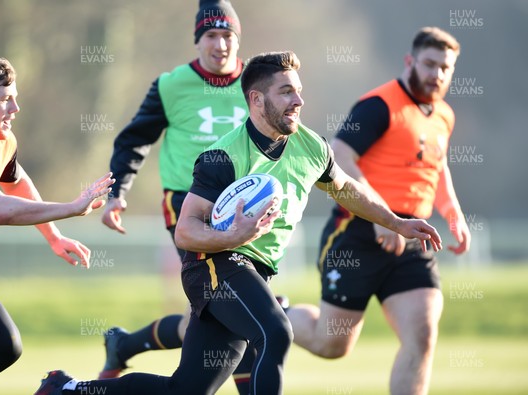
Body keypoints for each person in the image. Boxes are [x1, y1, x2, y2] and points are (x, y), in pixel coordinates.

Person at [35, 51, 442, 395]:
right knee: (276, 331)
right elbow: (186, 229)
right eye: (286, 92)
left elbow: (346, 189)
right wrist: (231, 235)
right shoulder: (222, 156)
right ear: (256, 99)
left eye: (298, 90)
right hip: (214, 262)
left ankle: (67, 389)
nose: (297, 100)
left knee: (187, 389)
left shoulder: (310, 145)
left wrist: (396, 221)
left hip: (253, 270)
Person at [286, 27, 470, 395]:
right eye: (429, 64)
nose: (436, 74)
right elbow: (339, 155)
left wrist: (453, 212)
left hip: (413, 235)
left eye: (445, 68)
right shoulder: (379, 106)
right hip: (358, 231)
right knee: (332, 344)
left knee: (422, 331)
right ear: (410, 61)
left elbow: (437, 165)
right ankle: (274, 314)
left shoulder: (443, 115)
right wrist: (384, 216)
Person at [98, 0, 261, 392]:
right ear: (197, 40)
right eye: (211, 35)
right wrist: (117, 193)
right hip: (188, 208)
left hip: (247, 207)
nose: (220, 45)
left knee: (214, 312)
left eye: (228, 36)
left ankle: (125, 344)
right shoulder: (171, 85)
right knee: (234, 307)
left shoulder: (258, 83)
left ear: (238, 40)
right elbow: (134, 139)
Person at [0, 55, 113, 394]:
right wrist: (71, 208)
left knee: (1, 344)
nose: (16, 107)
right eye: (5, 99)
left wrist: (54, 237)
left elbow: (15, 181)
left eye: (15, 96)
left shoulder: (0, 139)